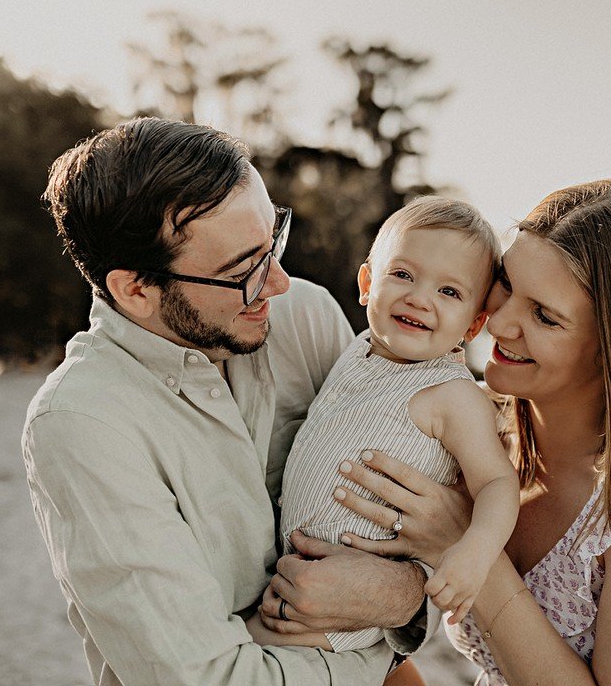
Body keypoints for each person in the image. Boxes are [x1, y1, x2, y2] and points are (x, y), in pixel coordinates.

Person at [22, 117, 436, 686]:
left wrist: (406, 594)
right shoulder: (81, 425)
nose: (279, 284)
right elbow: (211, 678)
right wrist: (389, 617)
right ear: (136, 289)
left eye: (273, 244)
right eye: (243, 272)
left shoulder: (307, 318)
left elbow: (429, 525)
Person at [309, 180, 611, 685]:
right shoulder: (485, 441)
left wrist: (467, 548)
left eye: (544, 316)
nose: (498, 322)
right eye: (506, 284)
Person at [247, 197, 519, 653]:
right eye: (403, 275)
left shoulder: (454, 397)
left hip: (355, 599)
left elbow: (497, 482)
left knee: (238, 650)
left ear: (473, 326)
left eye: (448, 292)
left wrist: (475, 553)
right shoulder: (358, 349)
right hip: (295, 570)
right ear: (368, 283)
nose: (419, 298)